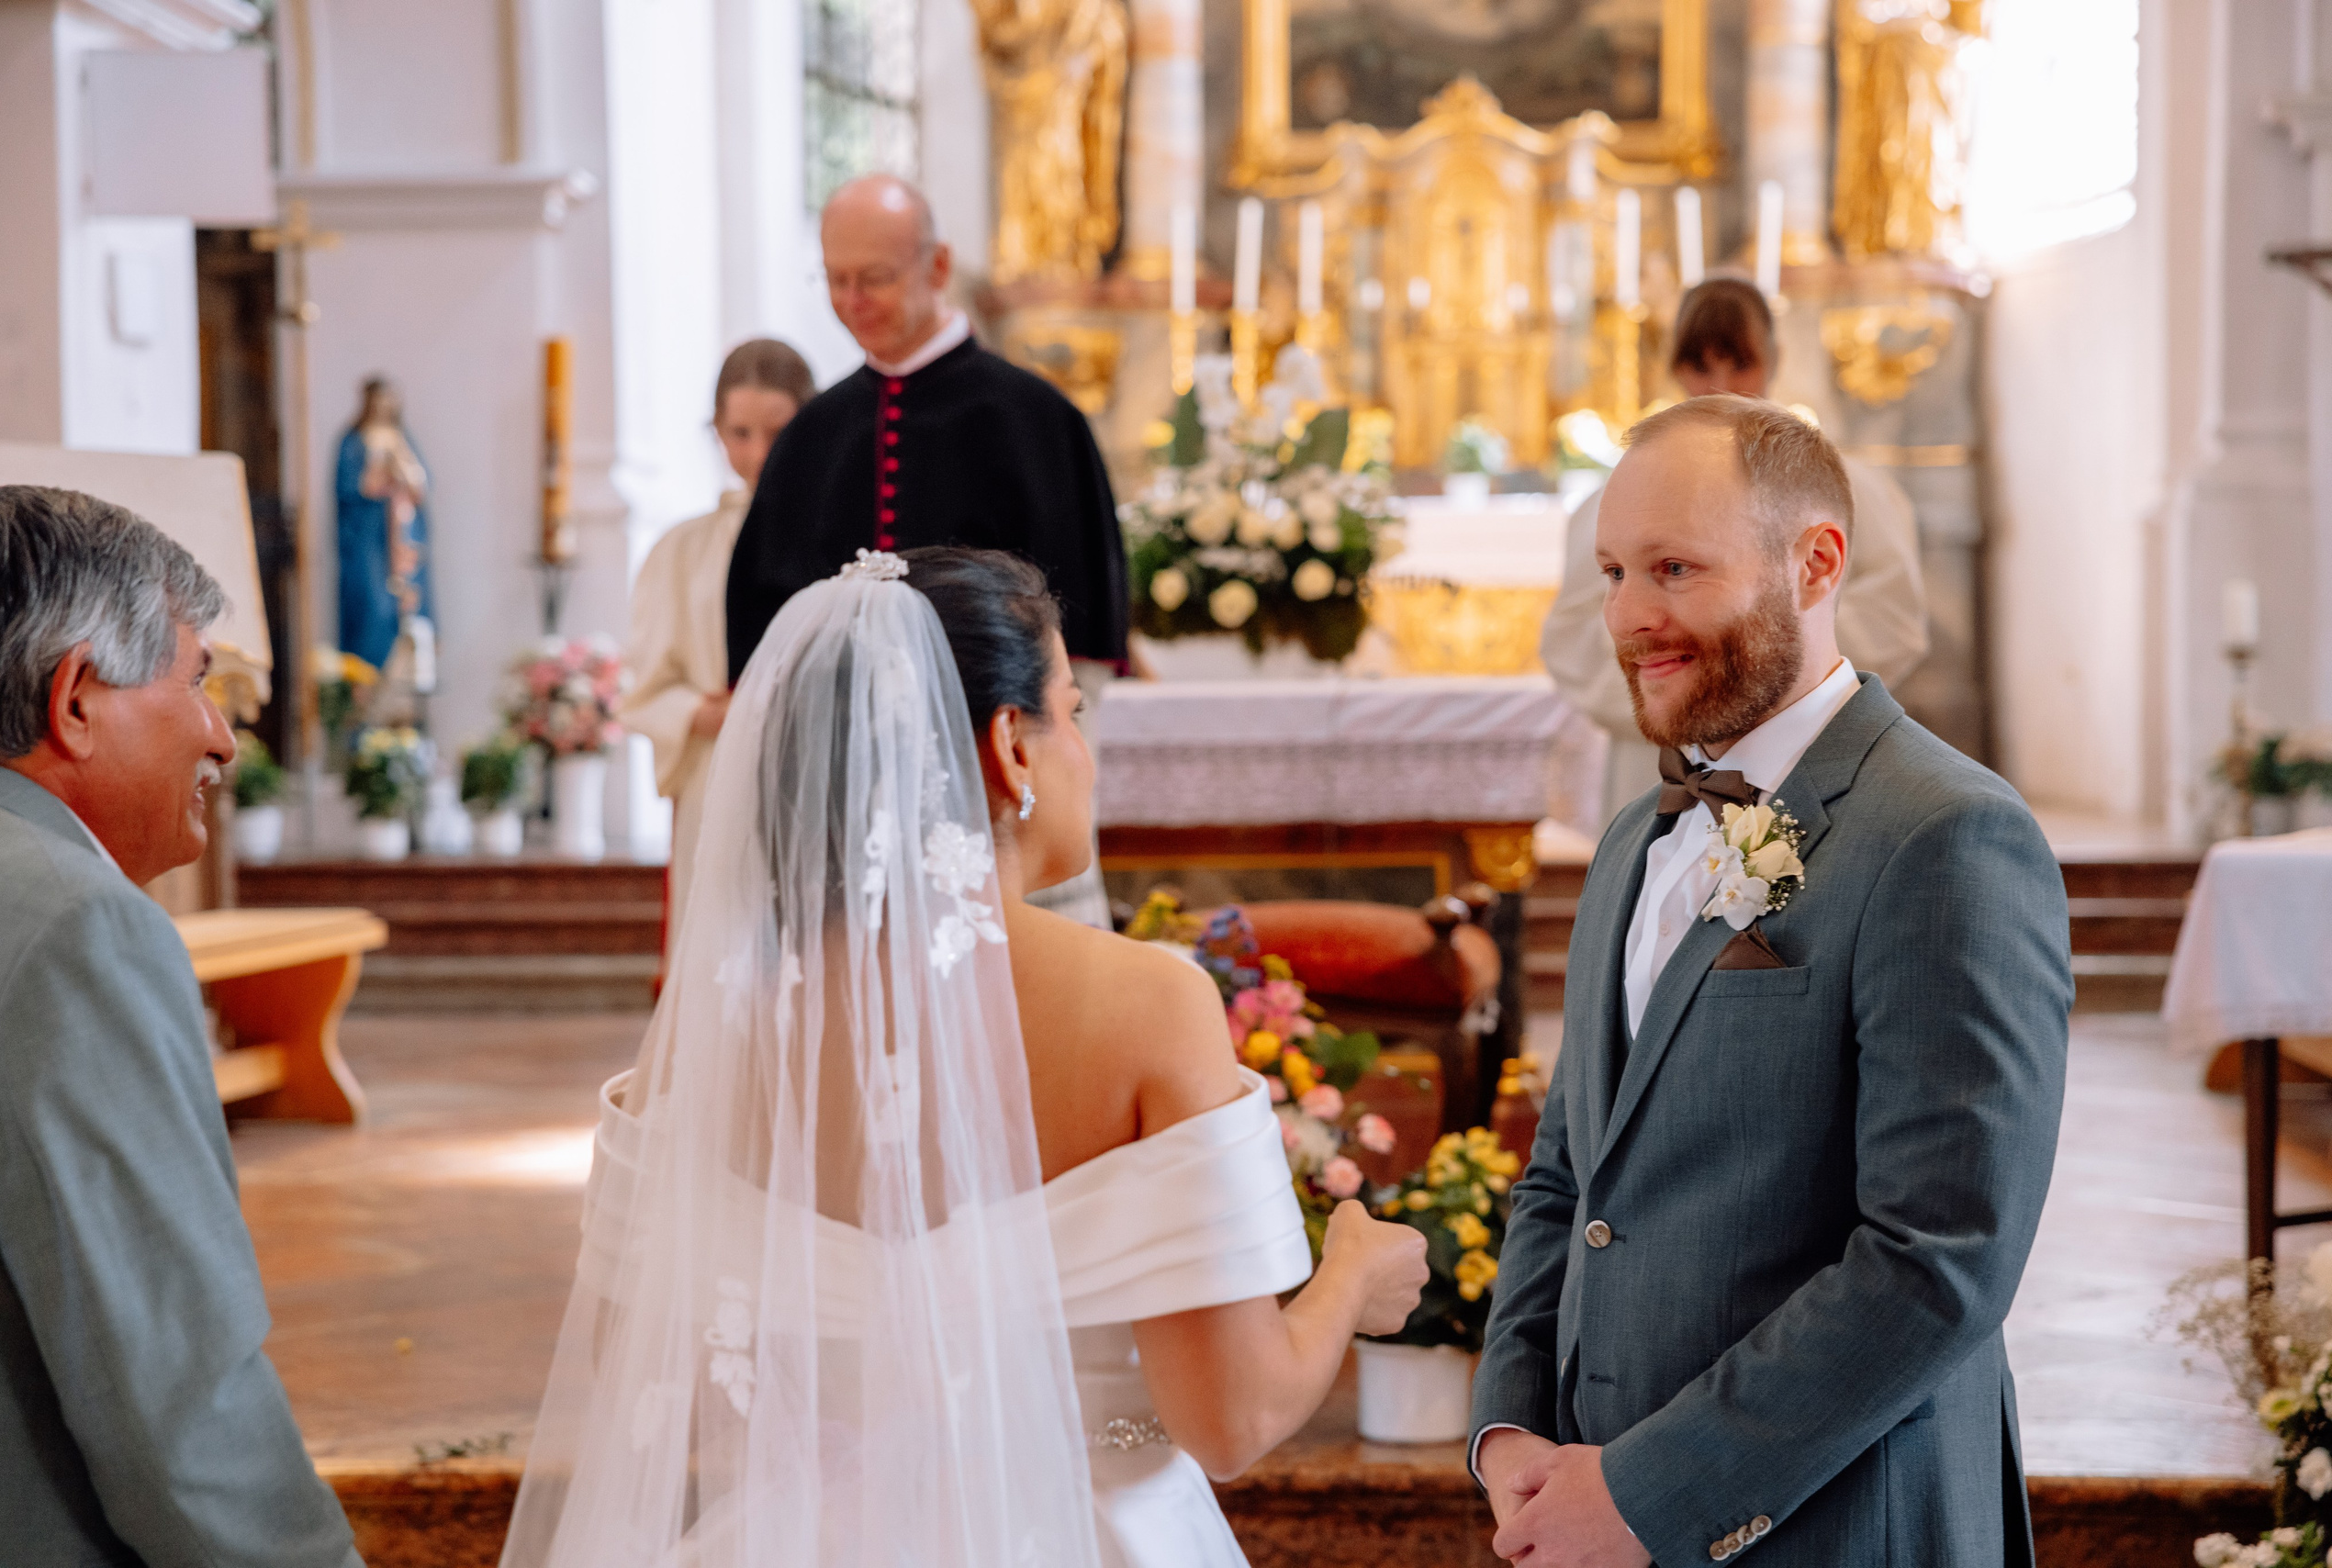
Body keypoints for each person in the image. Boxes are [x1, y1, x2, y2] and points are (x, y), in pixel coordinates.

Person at [501, 547, 1428, 1567]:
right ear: (1009, 746)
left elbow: (656, 1386)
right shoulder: (1146, 1004)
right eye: (1072, 711)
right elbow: (1229, 1420)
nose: (1083, 746)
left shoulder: (713, 1030)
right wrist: (1348, 1276)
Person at [1472, 398, 2069, 1566]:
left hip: (1839, 1521)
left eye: (1676, 568)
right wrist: (1511, 1427)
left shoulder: (1944, 835)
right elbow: (1568, 1167)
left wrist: (1653, 1491)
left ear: (1815, 563)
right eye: (1611, 571)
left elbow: (1939, 1258)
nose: (1631, 616)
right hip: (1588, 1500)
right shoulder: (1633, 838)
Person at [0, 486, 362, 1568]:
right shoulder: (77, 929)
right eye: (197, 679)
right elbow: (176, 1399)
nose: (222, 733)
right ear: (76, 699)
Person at [724, 174, 1128, 928]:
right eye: (836, 279)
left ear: (937, 268)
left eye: (874, 278)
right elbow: (764, 636)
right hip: (845, 794)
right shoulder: (812, 436)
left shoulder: (1038, 421)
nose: (853, 300)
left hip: (999, 780)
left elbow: (1083, 655)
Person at [1541, 278, 1928, 830]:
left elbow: (1894, 620)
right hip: (1660, 768)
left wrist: (1753, 679)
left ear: (1774, 360)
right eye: (1700, 366)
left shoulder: (1847, 489)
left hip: (1803, 761)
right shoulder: (1618, 501)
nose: (1720, 384)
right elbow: (1571, 639)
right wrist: (1680, 692)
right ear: (1674, 368)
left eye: (1740, 364)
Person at [623, 338, 815, 946]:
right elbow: (648, 687)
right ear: (716, 431)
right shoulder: (681, 551)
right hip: (717, 769)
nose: (757, 453)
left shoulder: (835, 537)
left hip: (815, 768)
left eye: (776, 431)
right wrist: (703, 712)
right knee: (722, 956)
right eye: (738, 433)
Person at [335, 375, 435, 678]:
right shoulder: (354, 441)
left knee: (409, 617)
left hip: (402, 542)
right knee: (373, 613)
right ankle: (364, 694)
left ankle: (406, 710)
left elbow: (421, 487)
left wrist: (404, 479)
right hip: (370, 544)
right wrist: (376, 480)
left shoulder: (403, 438)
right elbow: (347, 490)